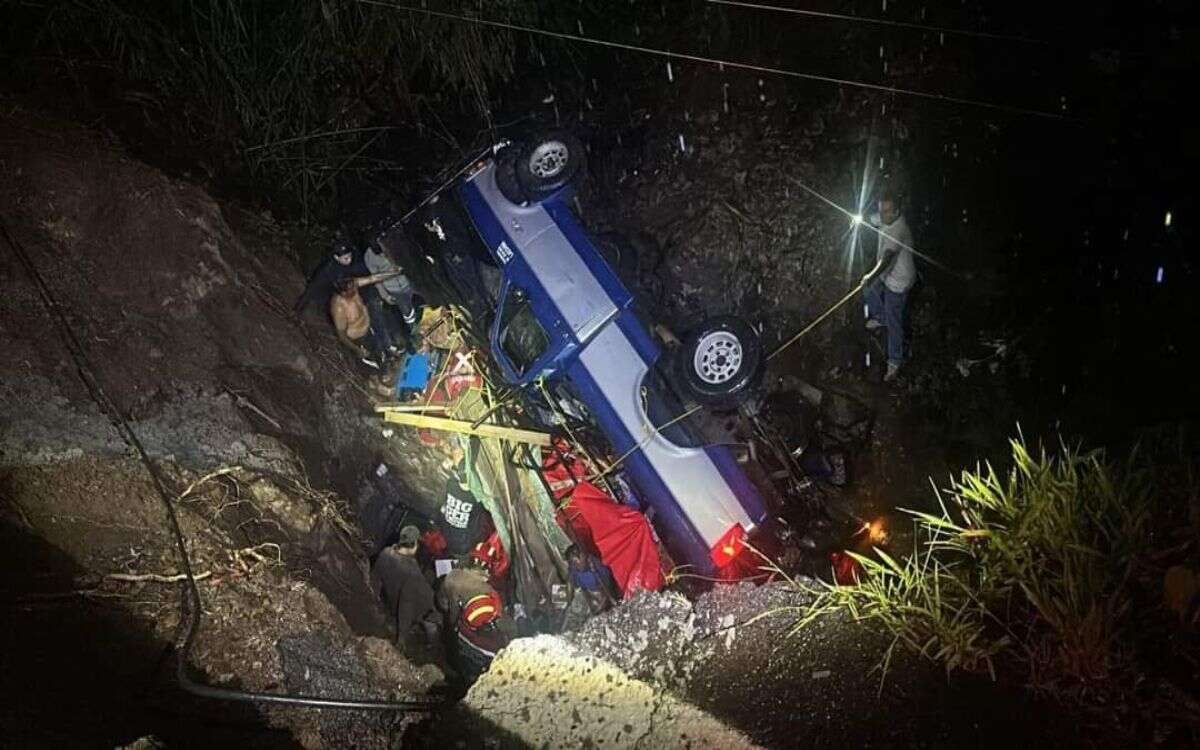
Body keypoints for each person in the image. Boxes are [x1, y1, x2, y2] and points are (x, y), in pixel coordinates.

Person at [862, 192, 916, 382]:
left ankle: (895, 361)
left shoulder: (899, 229)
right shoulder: (885, 217)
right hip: (886, 275)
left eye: (886, 211)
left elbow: (887, 259)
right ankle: (880, 317)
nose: (882, 215)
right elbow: (871, 219)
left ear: (896, 212)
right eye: (880, 210)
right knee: (870, 291)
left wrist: (870, 275)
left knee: (894, 321)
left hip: (899, 280)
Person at [370, 525, 438, 649]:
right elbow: (406, 605)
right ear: (414, 545)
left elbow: (375, 580)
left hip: (395, 599)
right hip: (423, 608)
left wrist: (373, 605)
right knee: (433, 621)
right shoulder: (411, 570)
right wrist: (402, 639)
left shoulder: (386, 553)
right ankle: (430, 646)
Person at [294, 235, 367, 314]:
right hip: (326, 279)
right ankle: (297, 310)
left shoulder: (352, 263)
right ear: (336, 257)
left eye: (350, 256)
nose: (349, 260)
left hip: (338, 284)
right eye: (345, 258)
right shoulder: (328, 267)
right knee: (310, 292)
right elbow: (315, 286)